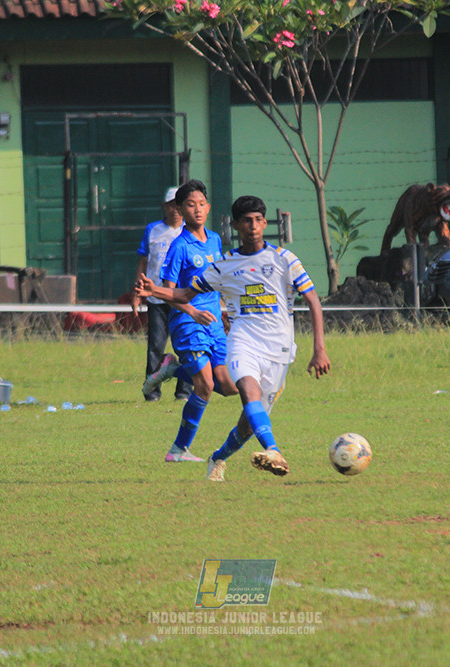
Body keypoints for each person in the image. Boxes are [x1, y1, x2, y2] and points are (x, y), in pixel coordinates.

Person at [136, 194, 331, 482]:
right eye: (246, 221)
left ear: (264, 223)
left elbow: (313, 300)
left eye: (257, 220)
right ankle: (274, 450)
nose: (253, 226)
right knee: (247, 391)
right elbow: (186, 294)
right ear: (236, 226)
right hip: (242, 343)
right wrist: (154, 291)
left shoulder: (284, 259)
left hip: (279, 349)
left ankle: (218, 457)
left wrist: (319, 350)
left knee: (247, 425)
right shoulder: (224, 265)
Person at [145, 179, 238, 462]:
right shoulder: (178, 247)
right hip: (187, 324)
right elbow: (169, 293)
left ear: (208, 208)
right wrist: (193, 311)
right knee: (204, 386)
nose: (197, 209)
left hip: (213, 322)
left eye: (201, 204)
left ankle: (172, 369)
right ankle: (178, 450)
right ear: (180, 210)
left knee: (230, 387)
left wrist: (224, 313)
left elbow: (219, 281)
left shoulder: (214, 240)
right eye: (190, 204)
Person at [131, 186, 193, 402]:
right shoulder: (153, 229)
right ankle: (152, 391)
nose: (174, 209)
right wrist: (137, 292)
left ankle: (184, 392)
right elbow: (143, 261)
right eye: (170, 205)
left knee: (186, 344)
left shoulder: (191, 231)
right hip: (157, 298)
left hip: (181, 298)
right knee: (156, 345)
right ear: (165, 207)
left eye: (178, 205)